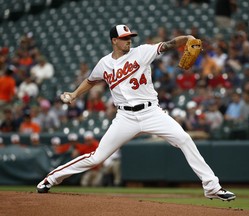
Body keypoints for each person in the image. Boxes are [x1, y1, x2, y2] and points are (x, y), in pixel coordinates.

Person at [37, 24, 235, 201]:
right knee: (97, 157)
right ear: (114, 41)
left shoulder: (142, 52)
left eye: (130, 37)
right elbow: (91, 80)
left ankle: (212, 187)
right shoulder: (104, 63)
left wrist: (187, 39)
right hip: (125, 117)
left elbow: (168, 44)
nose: (128, 40)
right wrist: (74, 94)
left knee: (184, 139)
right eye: (124, 38)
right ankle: (50, 179)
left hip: (152, 112)